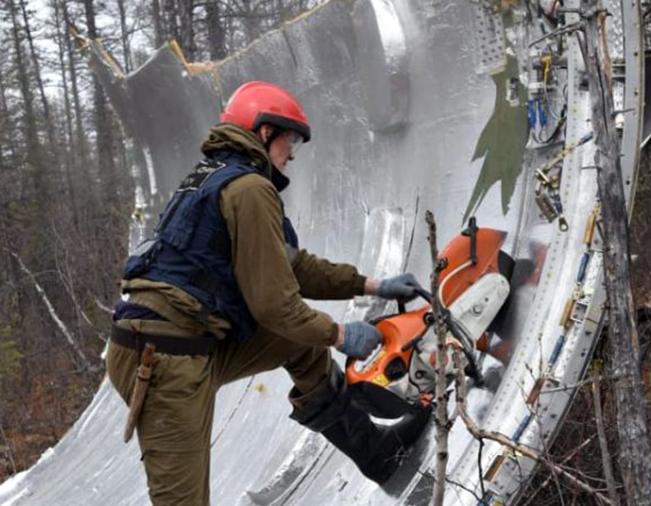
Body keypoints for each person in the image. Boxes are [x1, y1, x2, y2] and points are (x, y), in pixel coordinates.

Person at [106, 81, 430, 505]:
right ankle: (377, 452)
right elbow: (275, 305)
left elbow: (290, 266)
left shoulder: (220, 181)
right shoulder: (249, 190)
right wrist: (340, 335)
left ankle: (379, 454)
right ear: (263, 133)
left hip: (186, 344)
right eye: (289, 139)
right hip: (163, 359)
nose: (291, 153)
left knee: (300, 342)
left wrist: (370, 284)